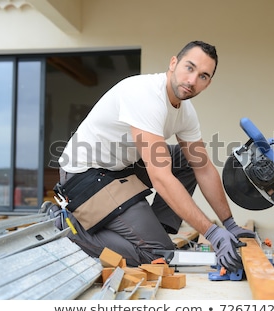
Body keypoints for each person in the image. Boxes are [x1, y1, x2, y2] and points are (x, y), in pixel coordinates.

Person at [56, 40, 254, 272]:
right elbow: (160, 176)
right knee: (157, 255)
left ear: (207, 84)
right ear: (173, 63)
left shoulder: (186, 112)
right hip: (85, 175)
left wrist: (229, 225)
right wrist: (211, 232)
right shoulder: (145, 95)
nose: (192, 80)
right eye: (189, 68)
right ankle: (66, 227)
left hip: (121, 168)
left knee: (187, 159)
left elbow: (203, 168)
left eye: (203, 76)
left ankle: (155, 231)